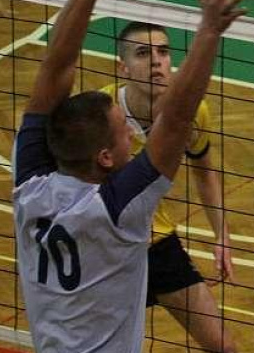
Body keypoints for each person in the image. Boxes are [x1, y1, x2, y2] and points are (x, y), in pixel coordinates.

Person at [13, 0, 246, 352]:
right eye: (125, 132)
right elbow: (175, 119)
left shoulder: (29, 185)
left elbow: (55, 67)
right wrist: (210, 32)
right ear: (105, 157)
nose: (134, 137)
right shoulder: (120, 208)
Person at [100, 20, 235, 352]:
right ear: (123, 67)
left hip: (156, 244)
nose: (156, 61)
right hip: (107, 249)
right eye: (143, 53)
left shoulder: (193, 112)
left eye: (163, 52)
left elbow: (204, 171)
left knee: (223, 347)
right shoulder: (101, 111)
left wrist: (222, 235)